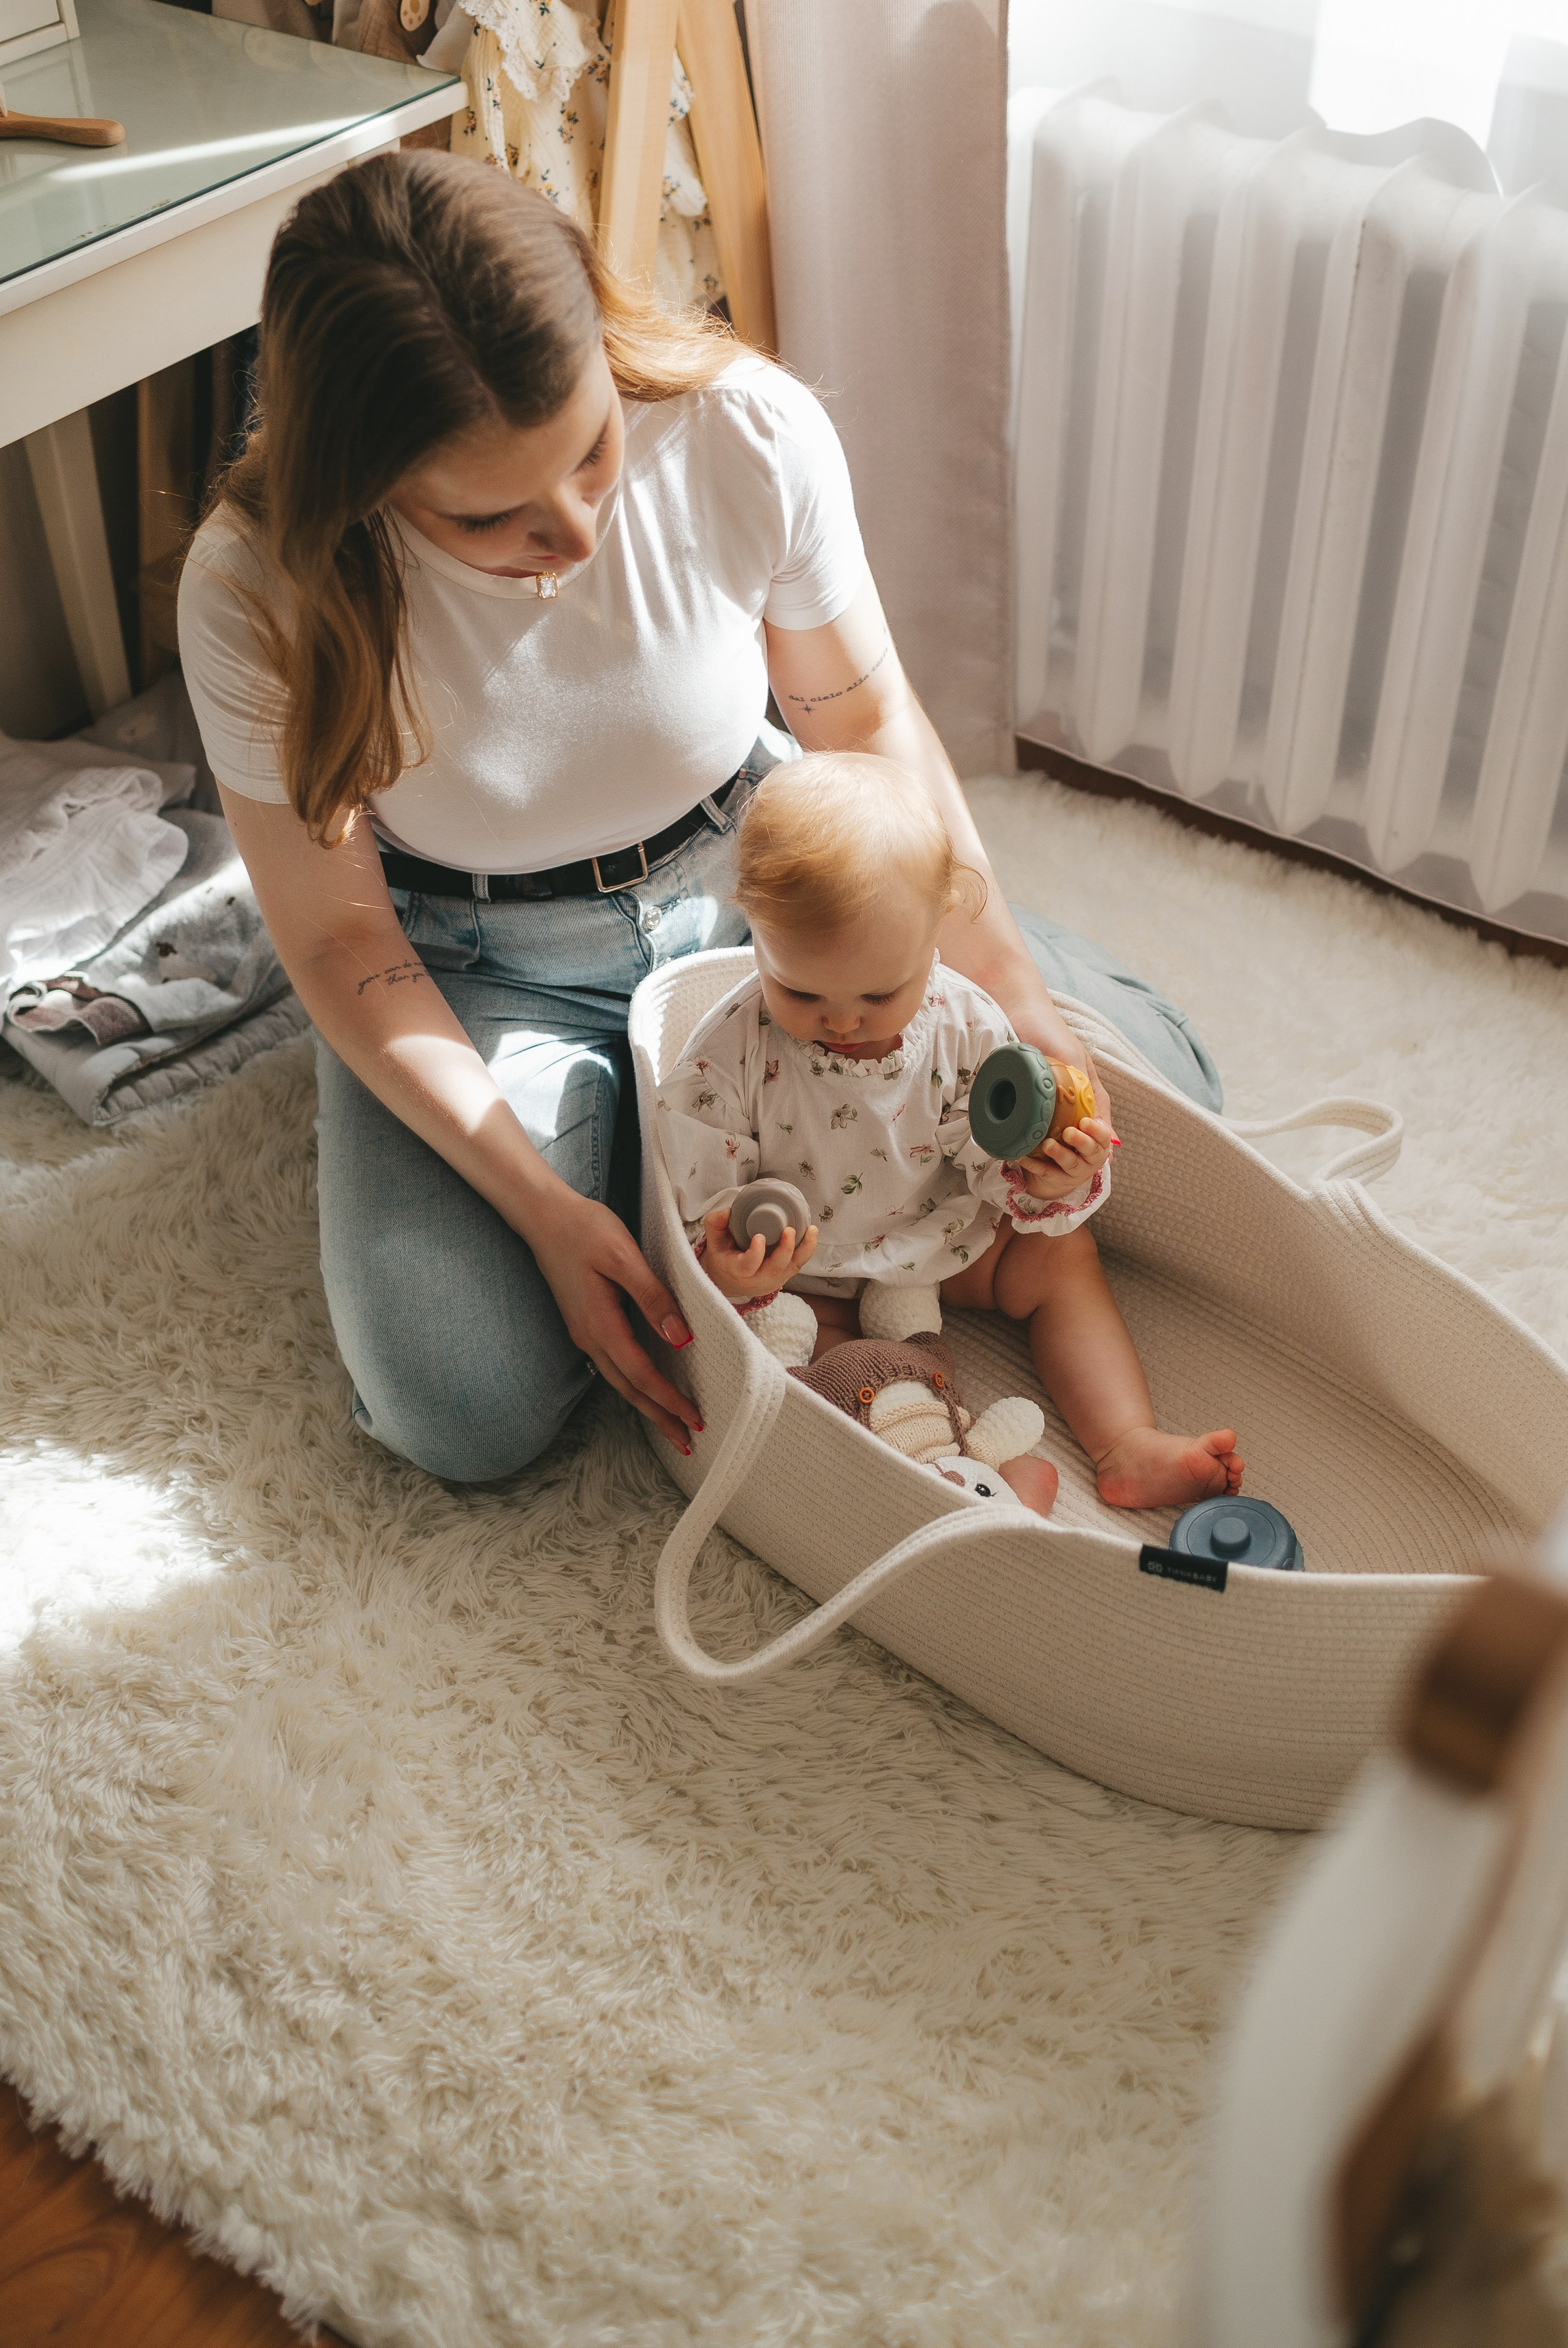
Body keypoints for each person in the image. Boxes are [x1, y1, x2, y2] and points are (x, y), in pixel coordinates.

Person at [177, 150, 1223, 1487]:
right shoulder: (256, 593)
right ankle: (645, 1166)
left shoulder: (740, 426)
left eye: (591, 451)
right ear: (366, 487)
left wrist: (1007, 991)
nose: (575, 533)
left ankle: (686, 1160)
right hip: (484, 964)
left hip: (764, 875)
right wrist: (540, 1212)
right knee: (464, 1405)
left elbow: (862, 728)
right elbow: (341, 942)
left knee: (1160, 1115)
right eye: (492, 516)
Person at [659, 754, 1243, 1515]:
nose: (843, 1021)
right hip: (812, 1277)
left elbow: (993, 1160)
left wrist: (1047, 1176)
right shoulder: (727, 1055)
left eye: (880, 993)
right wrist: (733, 1270)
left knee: (1060, 1256)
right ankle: (952, 1480)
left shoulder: (965, 1026)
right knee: (842, 1380)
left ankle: (1125, 1443)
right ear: (753, 929)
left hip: (943, 1236)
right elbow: (698, 1207)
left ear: (938, 927)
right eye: (800, 991)